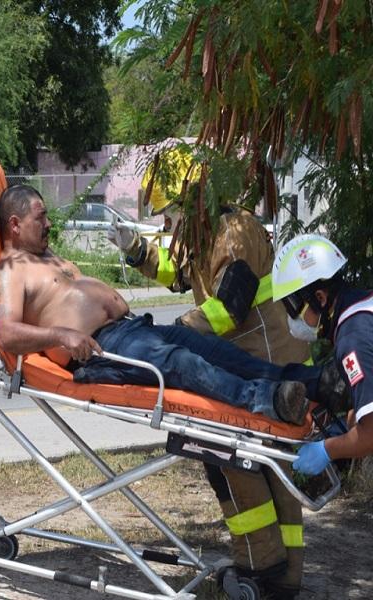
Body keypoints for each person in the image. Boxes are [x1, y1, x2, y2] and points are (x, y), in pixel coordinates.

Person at [106, 172, 335, 598]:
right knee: (270, 469)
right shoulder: (210, 231)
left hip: (261, 364)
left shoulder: (234, 233)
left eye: (171, 214)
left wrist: (176, 332)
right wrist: (137, 251)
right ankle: (282, 576)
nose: (168, 224)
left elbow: (229, 305)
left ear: (191, 201)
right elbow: (180, 273)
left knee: (238, 463)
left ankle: (263, 569)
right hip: (255, 364)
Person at [0, 184, 327, 427]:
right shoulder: (11, 271)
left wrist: (135, 249)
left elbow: (176, 271)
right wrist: (61, 335)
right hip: (104, 347)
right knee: (181, 363)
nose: (49, 224)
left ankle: (315, 383)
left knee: (215, 351)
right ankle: (267, 401)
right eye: (41, 218)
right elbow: (7, 333)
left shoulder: (46, 255)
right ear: (15, 225)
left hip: (133, 329)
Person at [273, 234, 373, 475]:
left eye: (294, 307)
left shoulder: (352, 339)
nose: (291, 320)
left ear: (320, 298)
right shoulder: (365, 306)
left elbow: (371, 436)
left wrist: (328, 449)